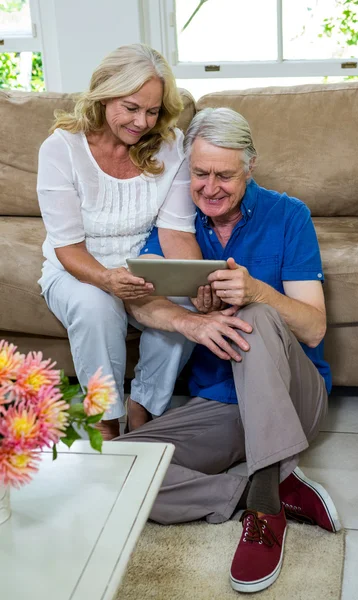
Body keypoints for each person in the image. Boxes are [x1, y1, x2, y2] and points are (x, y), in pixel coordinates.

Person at [117, 107, 341, 594]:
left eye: (224, 175)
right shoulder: (176, 226)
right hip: (220, 406)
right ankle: (265, 490)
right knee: (112, 474)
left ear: (251, 166)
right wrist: (190, 321)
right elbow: (142, 308)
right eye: (199, 174)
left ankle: (264, 513)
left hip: (294, 398)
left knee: (256, 318)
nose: (210, 187)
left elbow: (313, 328)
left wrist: (257, 292)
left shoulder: (289, 216)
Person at [37, 43, 204, 440]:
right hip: (77, 270)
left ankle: (143, 406)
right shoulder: (61, 149)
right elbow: (67, 247)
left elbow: (176, 233)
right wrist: (108, 281)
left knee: (185, 305)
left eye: (152, 110)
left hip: (143, 267)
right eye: (131, 108)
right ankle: (106, 421)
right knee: (97, 307)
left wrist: (196, 286)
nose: (143, 122)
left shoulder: (171, 145)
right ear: (104, 93)